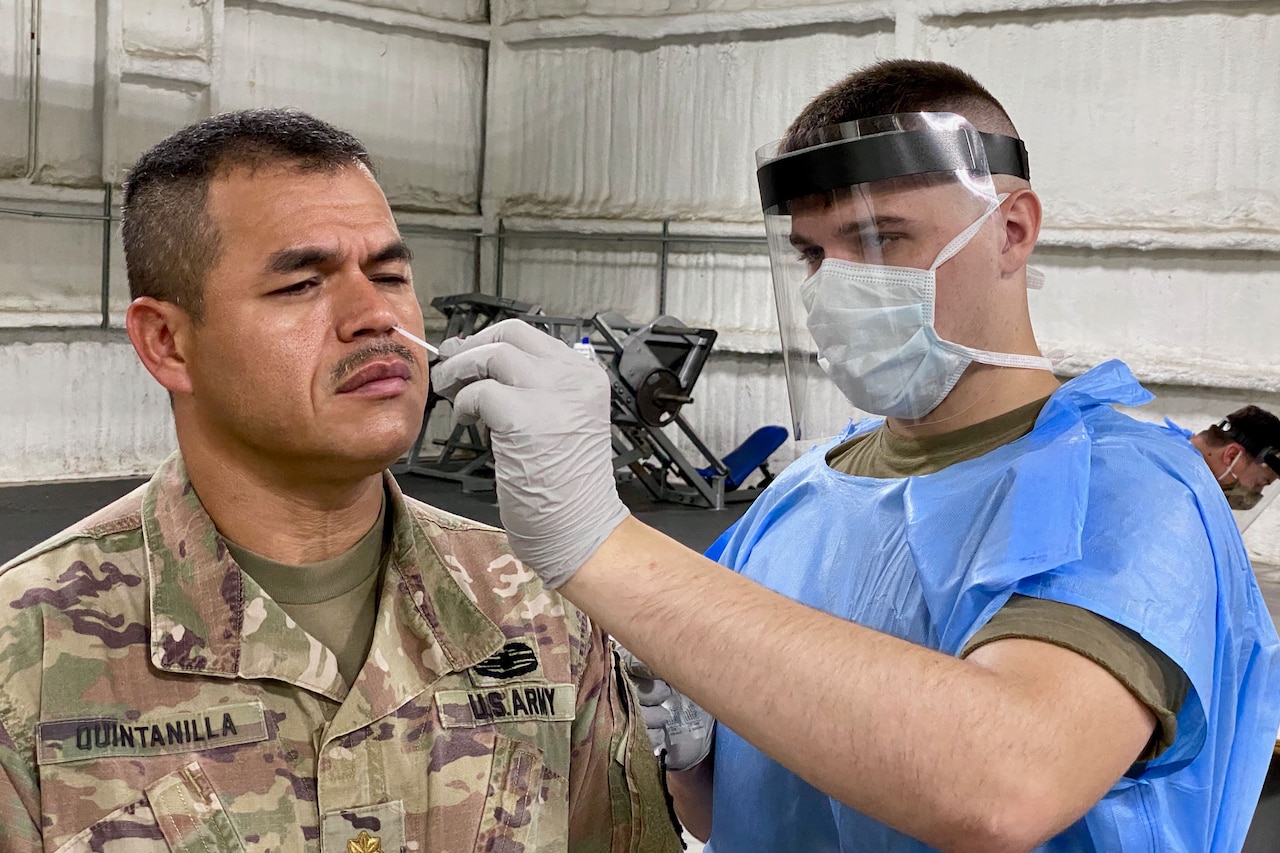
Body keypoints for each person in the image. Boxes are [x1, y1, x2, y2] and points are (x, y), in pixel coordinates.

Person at [430, 60, 1280, 852]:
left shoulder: (1133, 492)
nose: (834, 285)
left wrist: (601, 541)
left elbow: (1005, 780)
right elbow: (741, 808)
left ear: (1012, 231)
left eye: (881, 239)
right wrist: (690, 755)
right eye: (812, 252)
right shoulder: (805, 493)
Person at [0, 109, 680, 852]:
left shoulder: (544, 608)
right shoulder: (25, 653)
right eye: (300, 284)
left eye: (389, 274)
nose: (376, 315)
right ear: (167, 341)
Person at [1184, 405, 1280, 511]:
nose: (1256, 492)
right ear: (1232, 456)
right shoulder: (1171, 493)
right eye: (1259, 483)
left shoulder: (1173, 456)